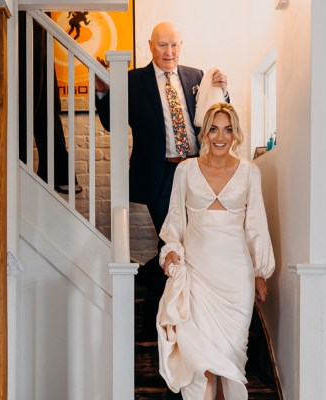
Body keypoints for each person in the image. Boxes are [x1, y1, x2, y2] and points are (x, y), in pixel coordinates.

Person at [95, 21, 229, 293]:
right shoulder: (133, 81)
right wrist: (102, 91)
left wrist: (223, 92)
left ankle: (154, 287)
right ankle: (159, 292)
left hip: (196, 170)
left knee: (192, 240)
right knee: (174, 239)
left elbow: (218, 120)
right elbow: (111, 122)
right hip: (161, 175)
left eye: (174, 45)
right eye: (162, 45)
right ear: (150, 47)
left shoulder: (196, 77)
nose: (169, 52)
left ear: (181, 46)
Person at [156, 102, 275, 400]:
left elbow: (257, 225)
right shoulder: (185, 170)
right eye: (213, 129)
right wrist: (170, 250)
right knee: (203, 364)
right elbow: (174, 221)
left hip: (236, 281)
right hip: (198, 276)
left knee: (228, 362)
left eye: (228, 129)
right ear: (205, 132)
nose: (220, 136)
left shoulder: (249, 172)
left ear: (236, 133)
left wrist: (261, 273)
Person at [18, 11, 82, 194]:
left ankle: (55, 168)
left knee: (43, 93)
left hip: (35, 16)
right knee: (31, 91)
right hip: (21, 17)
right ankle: (53, 168)